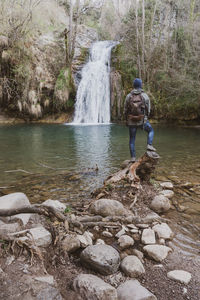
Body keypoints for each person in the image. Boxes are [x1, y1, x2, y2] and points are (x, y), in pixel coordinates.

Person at [124, 78, 156, 162]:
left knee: (132, 140)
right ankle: (149, 145)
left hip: (131, 121)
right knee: (151, 131)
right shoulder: (144, 95)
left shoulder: (128, 96)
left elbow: (125, 109)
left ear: (133, 85)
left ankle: (133, 158)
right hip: (142, 120)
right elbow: (148, 109)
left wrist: (126, 119)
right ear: (141, 85)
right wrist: (145, 118)